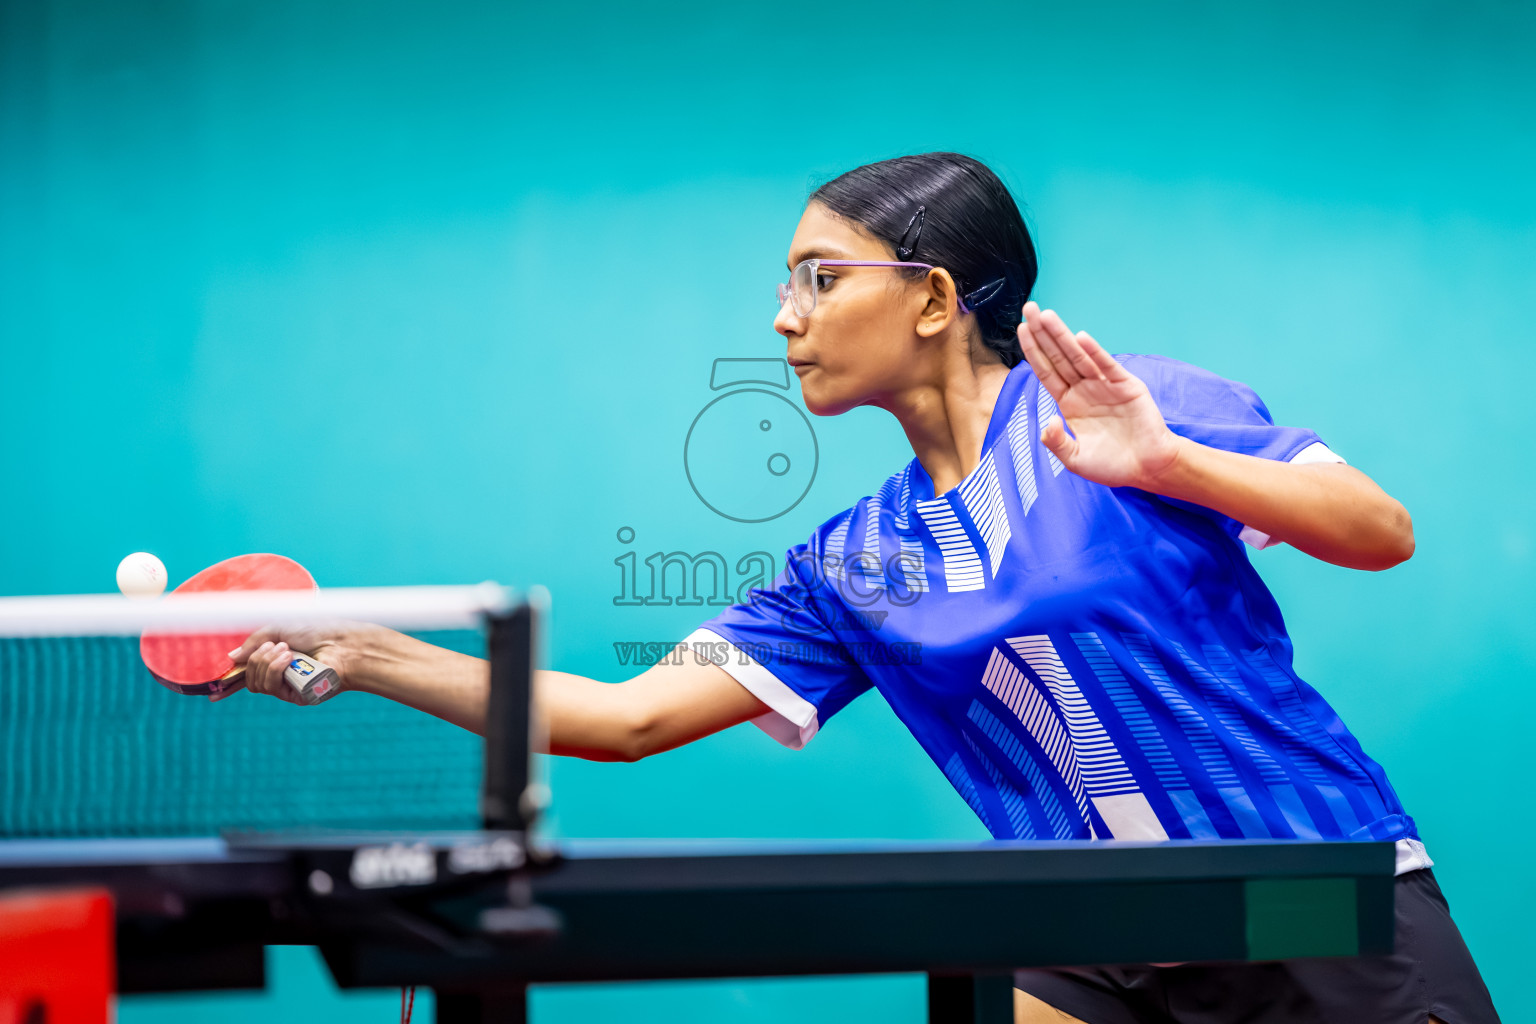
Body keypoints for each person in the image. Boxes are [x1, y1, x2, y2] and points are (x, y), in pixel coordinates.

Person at [226, 153, 1499, 1024]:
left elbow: (1378, 529)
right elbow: (625, 721)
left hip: (1306, 882)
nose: (786, 318)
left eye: (819, 278)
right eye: (787, 286)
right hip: (1085, 919)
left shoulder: (1123, 402)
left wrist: (1168, 458)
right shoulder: (855, 562)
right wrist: (361, 647)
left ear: (934, 296)